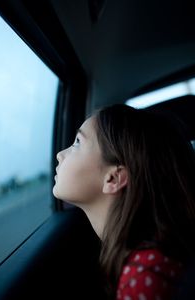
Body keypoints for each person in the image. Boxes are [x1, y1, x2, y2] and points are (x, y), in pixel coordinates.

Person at [53, 104, 195, 300]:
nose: (60, 155)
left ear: (114, 178)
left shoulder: (145, 275)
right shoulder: (148, 259)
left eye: (77, 142)